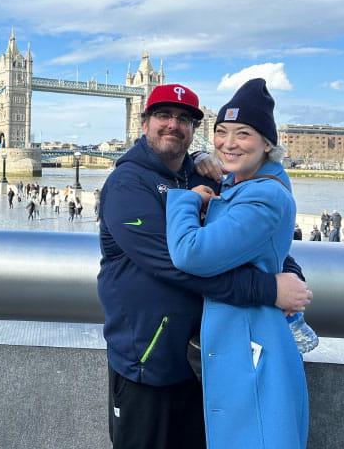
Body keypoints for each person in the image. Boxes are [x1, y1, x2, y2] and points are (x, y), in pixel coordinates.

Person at [98, 82, 311, 449]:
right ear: (144, 121)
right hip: (147, 363)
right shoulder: (126, 186)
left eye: (184, 119)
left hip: (205, 361)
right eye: (163, 115)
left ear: (194, 130)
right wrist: (268, 289)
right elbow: (178, 265)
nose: (173, 125)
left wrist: (288, 268)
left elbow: (244, 241)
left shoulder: (201, 176)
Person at [165, 78, 308, 448]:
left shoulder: (263, 198)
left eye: (243, 133)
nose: (228, 143)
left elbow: (190, 254)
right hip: (239, 337)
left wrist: (183, 200)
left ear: (267, 143)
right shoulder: (243, 183)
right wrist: (201, 162)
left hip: (251, 342)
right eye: (221, 132)